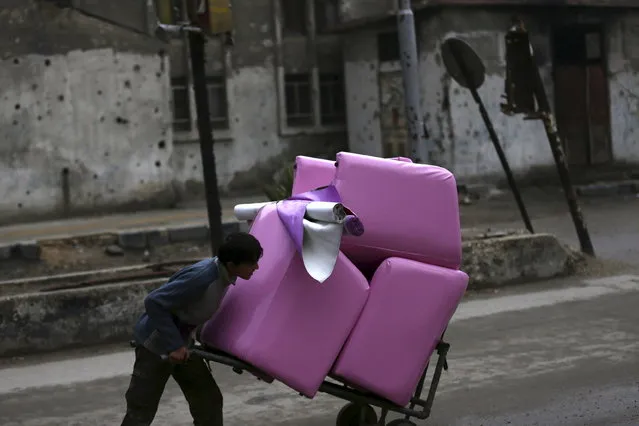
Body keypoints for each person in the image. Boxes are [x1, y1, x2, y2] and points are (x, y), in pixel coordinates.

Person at [121, 232, 263, 426]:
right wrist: (173, 345)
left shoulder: (224, 276)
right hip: (155, 345)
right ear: (232, 264)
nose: (256, 267)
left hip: (183, 343)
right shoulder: (202, 278)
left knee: (208, 401)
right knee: (141, 411)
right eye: (251, 263)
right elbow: (154, 302)